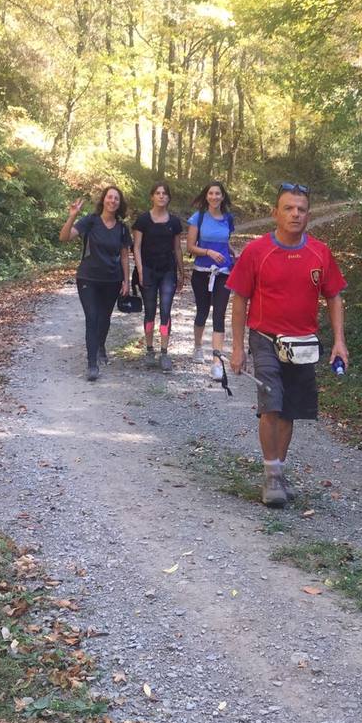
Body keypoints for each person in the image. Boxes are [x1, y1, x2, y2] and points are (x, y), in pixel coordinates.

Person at [228, 183, 348, 507]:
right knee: (272, 405)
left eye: (301, 209)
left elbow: (334, 296)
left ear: (308, 214)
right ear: (275, 213)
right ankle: (271, 477)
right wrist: (237, 348)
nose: (296, 214)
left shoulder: (320, 252)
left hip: (303, 343)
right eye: (289, 208)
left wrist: (339, 341)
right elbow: (239, 299)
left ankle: (277, 471)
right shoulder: (257, 251)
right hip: (265, 338)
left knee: (290, 411)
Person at [59, 185, 132, 382]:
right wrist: (72, 215)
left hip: (112, 279)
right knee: (92, 317)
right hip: (88, 278)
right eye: (110, 197)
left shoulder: (122, 228)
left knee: (104, 317)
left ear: (119, 203)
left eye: (116, 198)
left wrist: (127, 281)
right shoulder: (90, 222)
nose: (112, 201)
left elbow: (125, 256)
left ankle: (100, 345)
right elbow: (64, 237)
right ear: (104, 200)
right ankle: (92, 363)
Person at [132, 181, 185, 371]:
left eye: (164, 193)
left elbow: (178, 248)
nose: (161, 196)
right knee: (149, 310)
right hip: (147, 269)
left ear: (169, 197)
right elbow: (136, 247)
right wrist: (139, 270)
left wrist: (182, 271)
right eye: (158, 193)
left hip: (168, 271)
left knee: (165, 310)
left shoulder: (174, 222)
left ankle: (164, 352)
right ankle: (149, 350)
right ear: (152, 196)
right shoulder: (143, 220)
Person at [186, 180, 236, 381]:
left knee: (220, 314)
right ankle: (198, 347)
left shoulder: (228, 219)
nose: (214, 197)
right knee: (202, 311)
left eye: (218, 194)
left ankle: (216, 362)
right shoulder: (197, 218)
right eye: (211, 193)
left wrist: (232, 252)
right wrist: (208, 251)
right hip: (202, 272)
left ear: (223, 197)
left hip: (223, 272)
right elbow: (190, 247)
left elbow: (225, 241)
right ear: (206, 196)